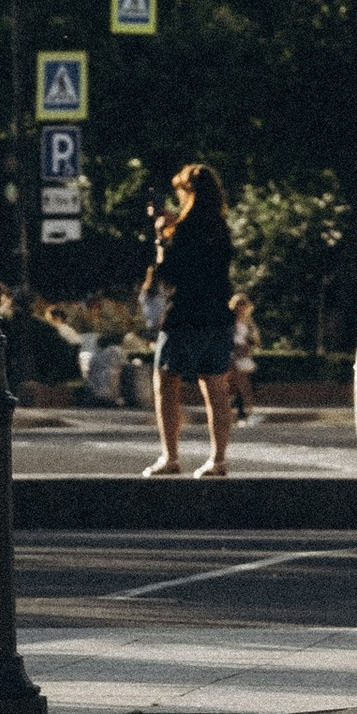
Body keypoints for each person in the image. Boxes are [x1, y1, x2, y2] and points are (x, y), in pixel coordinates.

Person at [143, 162, 237, 479]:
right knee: (215, 386)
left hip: (186, 315)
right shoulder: (221, 228)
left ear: (190, 193)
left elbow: (168, 275)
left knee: (166, 383)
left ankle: (170, 457)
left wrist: (160, 240)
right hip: (219, 315)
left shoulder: (183, 230)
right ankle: (218, 459)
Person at [228, 289, 261, 427]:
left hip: (245, 355)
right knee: (241, 386)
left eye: (243, 304)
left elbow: (255, 339)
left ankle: (241, 414)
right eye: (239, 303)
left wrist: (250, 343)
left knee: (244, 386)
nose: (241, 307)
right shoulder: (230, 321)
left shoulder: (248, 321)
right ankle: (245, 414)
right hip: (233, 354)